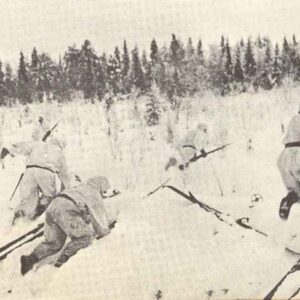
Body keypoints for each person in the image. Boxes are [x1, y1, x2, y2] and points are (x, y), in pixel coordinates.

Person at [20, 176, 117, 275]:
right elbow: (98, 219)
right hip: (66, 209)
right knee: (85, 236)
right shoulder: (94, 193)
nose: (104, 193)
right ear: (101, 186)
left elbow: (83, 211)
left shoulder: (80, 188)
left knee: (54, 243)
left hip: (53, 206)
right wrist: (107, 231)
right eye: (104, 191)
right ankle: (63, 260)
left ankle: (30, 259)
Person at [13, 137, 70, 222]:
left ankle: (20, 216)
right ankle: (38, 212)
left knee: (27, 197)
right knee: (48, 196)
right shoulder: (59, 152)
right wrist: (68, 188)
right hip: (47, 172)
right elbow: (64, 173)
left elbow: (24, 146)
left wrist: (10, 149)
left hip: (30, 171)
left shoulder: (39, 143)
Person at [278, 109, 300, 220]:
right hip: (298, 155)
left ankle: (288, 202)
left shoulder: (294, 119)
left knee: (294, 192)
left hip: (284, 159)